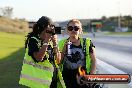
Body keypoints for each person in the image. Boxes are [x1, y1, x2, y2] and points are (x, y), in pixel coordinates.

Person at [19, 16, 65, 88]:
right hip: (39, 83)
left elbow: (58, 60)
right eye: (49, 27)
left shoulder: (51, 42)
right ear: (43, 28)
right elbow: (38, 58)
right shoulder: (33, 40)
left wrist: (55, 43)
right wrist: (46, 40)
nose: (51, 30)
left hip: (52, 81)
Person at [58, 19, 96, 88]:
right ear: (67, 30)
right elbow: (58, 62)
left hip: (82, 77)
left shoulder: (87, 42)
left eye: (76, 28)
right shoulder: (61, 43)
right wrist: (64, 49)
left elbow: (94, 60)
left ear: (80, 30)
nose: (73, 30)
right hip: (67, 79)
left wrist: (91, 75)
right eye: (70, 28)